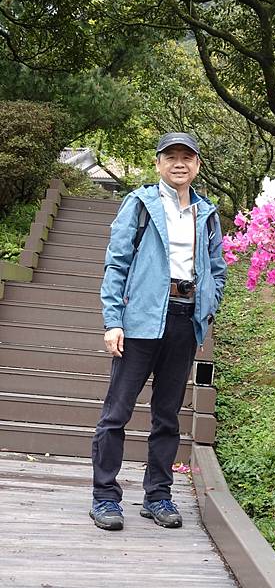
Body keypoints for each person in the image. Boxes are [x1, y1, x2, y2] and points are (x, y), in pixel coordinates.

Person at [90, 132, 227, 531]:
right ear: (159, 163)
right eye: (171, 157)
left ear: (198, 165)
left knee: (167, 415)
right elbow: (116, 264)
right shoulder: (139, 204)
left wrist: (209, 302)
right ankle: (104, 497)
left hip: (184, 320)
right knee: (117, 413)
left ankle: (158, 495)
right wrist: (113, 320)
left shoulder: (207, 213)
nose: (179, 163)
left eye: (187, 157)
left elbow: (217, 268)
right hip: (140, 321)